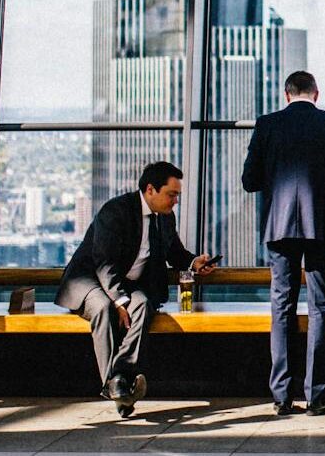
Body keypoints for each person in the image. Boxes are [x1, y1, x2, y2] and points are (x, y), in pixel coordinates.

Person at [55, 161, 217, 418]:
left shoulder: (165, 217)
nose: (175, 201)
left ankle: (118, 381)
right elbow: (103, 263)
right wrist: (120, 301)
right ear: (150, 189)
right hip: (89, 280)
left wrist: (193, 262)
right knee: (104, 307)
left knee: (143, 305)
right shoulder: (116, 211)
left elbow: (174, 252)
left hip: (127, 285)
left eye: (177, 195)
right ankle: (119, 384)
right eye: (171, 194)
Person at [242, 71, 325, 417]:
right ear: (316, 94)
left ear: (286, 95)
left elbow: (250, 180)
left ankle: (281, 396)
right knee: (321, 306)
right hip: (320, 225)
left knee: (281, 306)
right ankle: (317, 395)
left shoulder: (267, 125)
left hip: (279, 227)